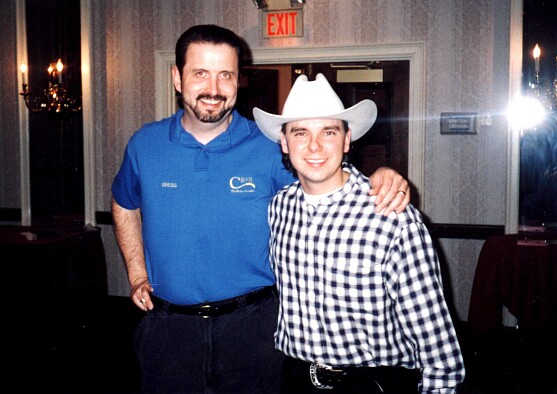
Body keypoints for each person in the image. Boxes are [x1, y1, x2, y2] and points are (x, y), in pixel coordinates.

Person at [111, 25, 411, 393]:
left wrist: (379, 174)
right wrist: (137, 272)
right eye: (200, 73)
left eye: (226, 75)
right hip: (169, 328)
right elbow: (124, 204)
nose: (213, 88)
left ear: (239, 81)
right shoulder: (145, 144)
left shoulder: (269, 145)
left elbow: (322, 180)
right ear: (177, 77)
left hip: (254, 327)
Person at [253, 73, 465, 393]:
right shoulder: (278, 209)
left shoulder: (393, 217)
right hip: (296, 378)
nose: (314, 146)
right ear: (284, 141)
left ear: (347, 139)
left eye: (328, 131)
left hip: (371, 384)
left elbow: (439, 353)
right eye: (300, 133)